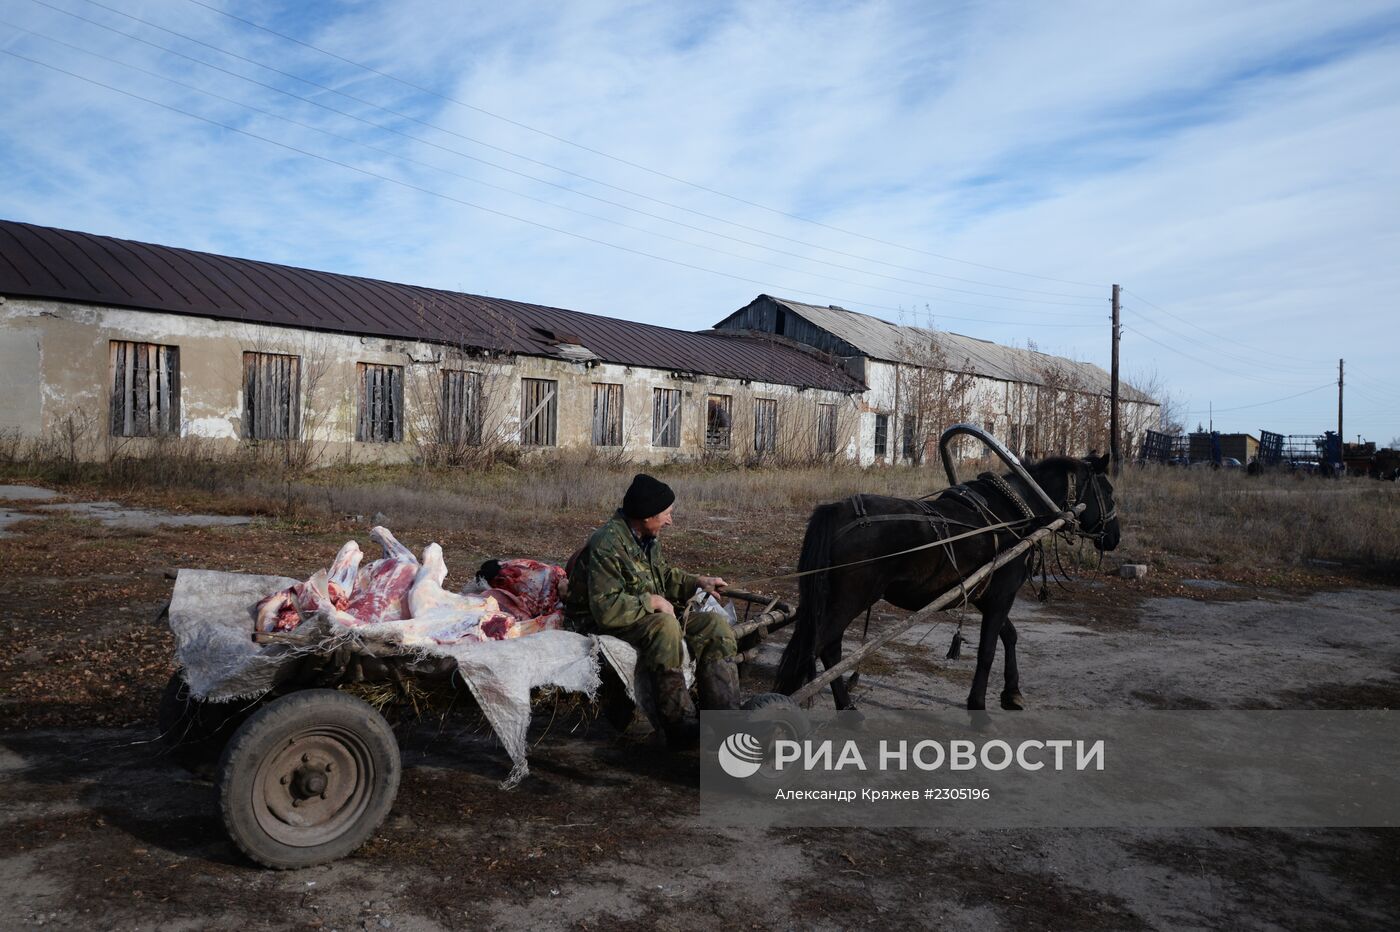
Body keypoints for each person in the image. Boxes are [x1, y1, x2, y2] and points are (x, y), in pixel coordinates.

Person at [564, 473, 740, 746]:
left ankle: (725, 717)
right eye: (666, 514)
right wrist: (653, 602)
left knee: (714, 625)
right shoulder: (607, 543)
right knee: (665, 626)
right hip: (603, 622)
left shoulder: (646, 539)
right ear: (646, 516)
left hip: (638, 616)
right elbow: (605, 608)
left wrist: (698, 582)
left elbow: (664, 577)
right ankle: (678, 723)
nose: (670, 520)